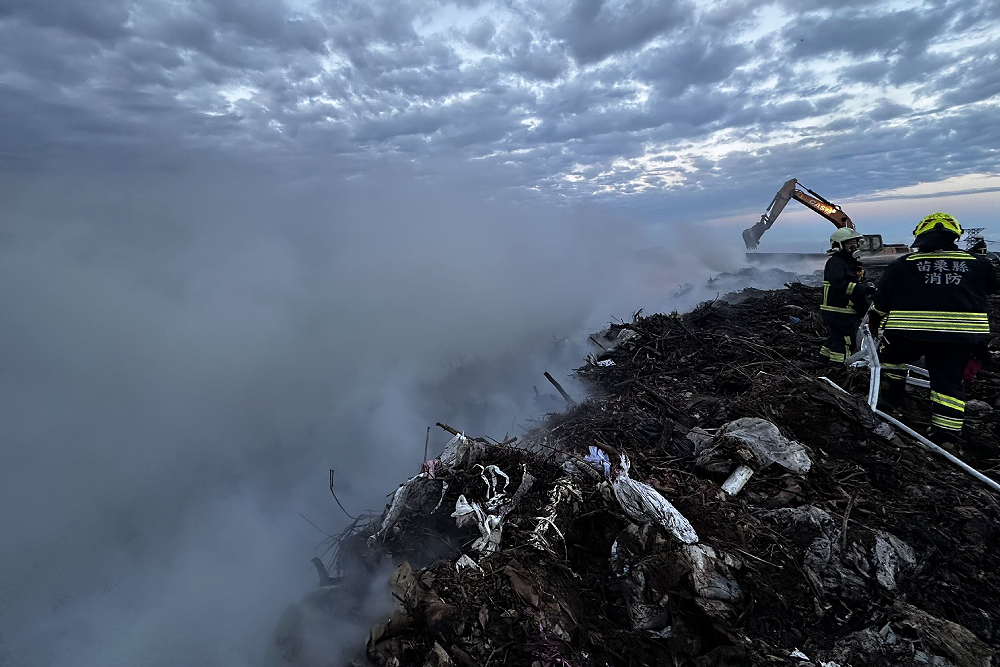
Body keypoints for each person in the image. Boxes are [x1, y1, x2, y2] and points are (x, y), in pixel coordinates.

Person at [868, 212, 998, 448]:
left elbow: (881, 303)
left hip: (906, 334)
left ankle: (890, 402)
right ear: (954, 235)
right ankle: (946, 434)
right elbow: (989, 290)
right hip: (960, 337)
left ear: (920, 236)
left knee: (891, 362)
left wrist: (874, 324)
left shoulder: (902, 265)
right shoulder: (978, 264)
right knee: (948, 380)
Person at [819, 228, 870, 365]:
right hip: (838, 310)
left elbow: (854, 285)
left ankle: (823, 362)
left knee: (835, 338)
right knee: (845, 340)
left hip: (842, 309)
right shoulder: (836, 262)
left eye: (856, 243)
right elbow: (839, 285)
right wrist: (864, 290)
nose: (854, 247)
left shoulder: (849, 263)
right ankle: (839, 367)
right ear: (839, 245)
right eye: (850, 243)